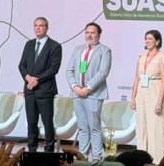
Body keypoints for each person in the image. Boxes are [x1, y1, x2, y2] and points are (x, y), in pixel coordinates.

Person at [65, 22, 112, 160]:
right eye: (87, 32)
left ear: (99, 35)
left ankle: (97, 158)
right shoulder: (78, 49)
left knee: (94, 128)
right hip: (77, 94)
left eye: (93, 33)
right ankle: (83, 157)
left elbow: (103, 72)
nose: (89, 35)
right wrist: (75, 87)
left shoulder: (105, 51)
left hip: (93, 95)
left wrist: (88, 88)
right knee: (82, 128)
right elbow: (69, 70)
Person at [18, 16, 63, 152]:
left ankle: (49, 150)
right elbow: (22, 65)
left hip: (45, 90)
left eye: (41, 25)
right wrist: (28, 78)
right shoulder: (29, 44)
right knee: (31, 122)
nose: (38, 28)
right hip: (30, 90)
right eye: (36, 25)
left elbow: (53, 69)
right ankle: (32, 150)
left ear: (47, 28)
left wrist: (36, 80)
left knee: (47, 121)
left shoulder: (55, 46)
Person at [130, 29, 164, 163]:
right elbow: (136, 78)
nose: (147, 41)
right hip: (141, 94)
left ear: (157, 41)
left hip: (155, 92)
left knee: (156, 130)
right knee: (142, 129)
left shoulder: (162, 57)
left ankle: (157, 162)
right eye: (146, 38)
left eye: (150, 39)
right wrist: (133, 97)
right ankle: (141, 160)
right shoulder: (141, 56)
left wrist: (159, 102)